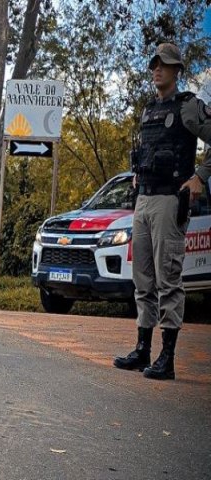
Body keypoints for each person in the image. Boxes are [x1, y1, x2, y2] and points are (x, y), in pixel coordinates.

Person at [114, 43, 211, 380]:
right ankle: (143, 350)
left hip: (171, 200)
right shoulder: (148, 110)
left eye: (165, 65)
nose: (157, 69)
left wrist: (200, 176)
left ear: (176, 71)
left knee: (168, 279)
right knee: (142, 280)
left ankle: (167, 358)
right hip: (144, 199)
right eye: (155, 63)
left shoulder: (188, 107)